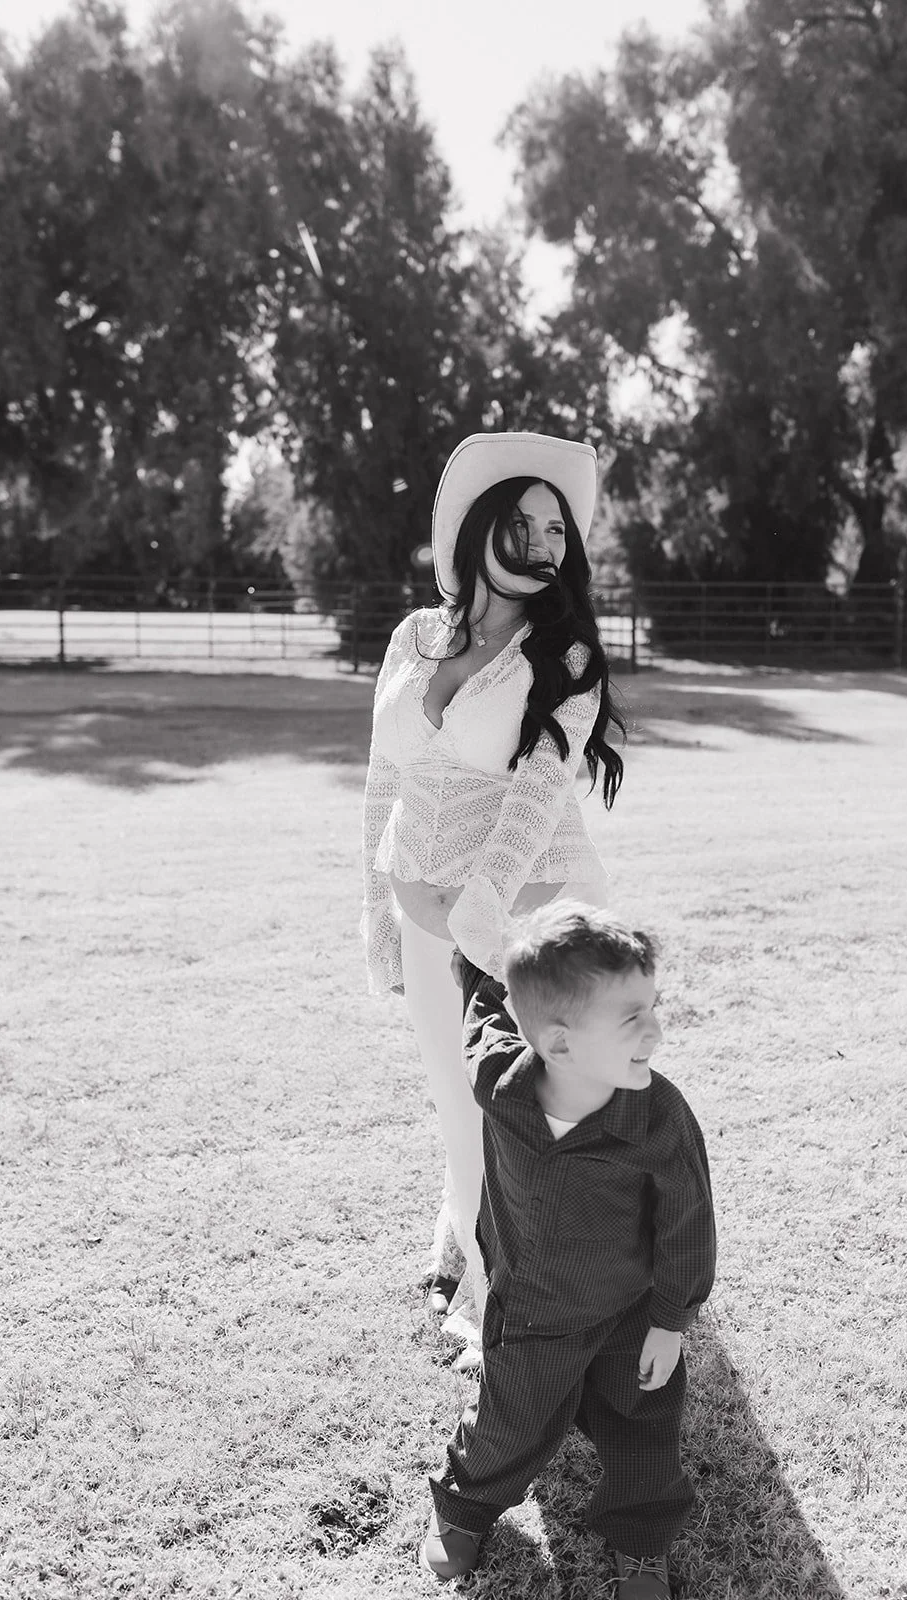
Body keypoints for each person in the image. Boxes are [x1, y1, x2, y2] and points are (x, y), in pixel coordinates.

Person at [360, 432, 626, 1359]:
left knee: (524, 1114)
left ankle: (508, 1304)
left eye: (559, 526)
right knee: (451, 1099)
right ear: (476, 530)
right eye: (525, 522)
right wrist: (380, 913)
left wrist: (478, 928)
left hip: (518, 924)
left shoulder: (567, 656)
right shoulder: (415, 636)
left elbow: (532, 805)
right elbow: (381, 781)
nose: (548, 542)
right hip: (418, 909)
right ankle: (461, 1232)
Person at [420, 903, 717, 1600]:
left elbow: (688, 1225)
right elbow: (484, 1013)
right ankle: (463, 1507)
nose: (655, 1030)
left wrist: (670, 1321)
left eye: (652, 1006)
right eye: (630, 1018)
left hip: (630, 1309)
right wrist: (475, 962)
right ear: (554, 1042)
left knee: (642, 1426)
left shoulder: (658, 1116)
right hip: (533, 1305)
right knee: (509, 1420)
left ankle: (640, 1542)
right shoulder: (501, 1082)